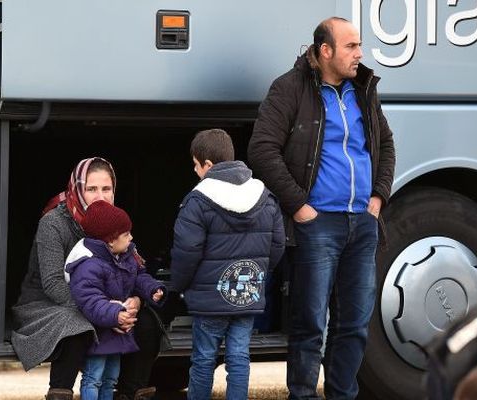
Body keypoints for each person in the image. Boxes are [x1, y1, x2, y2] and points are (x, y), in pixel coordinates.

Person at [247, 17, 396, 400]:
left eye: (359, 45)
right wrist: (299, 206)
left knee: (355, 323)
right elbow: (262, 149)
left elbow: (386, 146)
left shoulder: (363, 89)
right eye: (351, 46)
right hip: (317, 225)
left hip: (362, 224)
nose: (360, 54)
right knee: (310, 323)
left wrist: (377, 198)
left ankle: (342, 395)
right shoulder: (289, 88)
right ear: (324, 50)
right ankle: (302, 395)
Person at [11, 158, 165, 400]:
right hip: (49, 302)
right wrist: (101, 311)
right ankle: (60, 393)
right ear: (77, 189)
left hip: (109, 301)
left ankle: (130, 393)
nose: (100, 196)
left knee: (146, 323)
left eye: (106, 189)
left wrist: (135, 301)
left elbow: (134, 271)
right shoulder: (53, 223)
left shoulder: (115, 221)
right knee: (74, 325)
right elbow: (52, 283)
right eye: (91, 189)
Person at [170, 128, 286, 400]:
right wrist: (259, 275)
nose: (196, 172)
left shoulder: (198, 201)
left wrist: (179, 286)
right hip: (246, 295)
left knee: (203, 359)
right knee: (239, 357)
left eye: (196, 166)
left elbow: (187, 251)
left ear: (207, 165)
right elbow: (278, 246)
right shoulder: (265, 197)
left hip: (209, 300)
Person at [64, 200, 166, 400]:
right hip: (99, 332)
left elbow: (139, 277)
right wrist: (115, 314)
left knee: (111, 378)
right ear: (111, 240)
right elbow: (90, 300)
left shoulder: (126, 255)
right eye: (126, 234)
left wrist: (152, 289)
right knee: (93, 377)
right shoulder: (88, 265)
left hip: (118, 331)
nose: (131, 237)